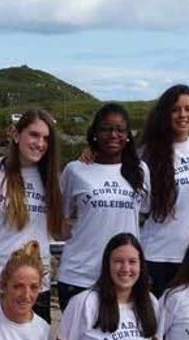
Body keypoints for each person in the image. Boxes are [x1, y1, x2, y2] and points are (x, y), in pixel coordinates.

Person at [0, 109, 63, 321]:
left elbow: (62, 227)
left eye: (46, 138)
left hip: (35, 286)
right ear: (16, 134)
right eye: (34, 135)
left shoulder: (53, 180)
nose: (40, 143)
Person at [57, 103, 151, 309]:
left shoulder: (140, 170)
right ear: (95, 133)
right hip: (80, 275)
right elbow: (60, 217)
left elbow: (144, 211)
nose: (113, 135)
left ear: (128, 135)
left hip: (124, 276)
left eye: (120, 129)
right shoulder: (75, 170)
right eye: (106, 129)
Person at [138, 85, 189, 297]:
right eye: (175, 110)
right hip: (159, 257)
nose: (183, 115)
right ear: (165, 114)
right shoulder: (147, 153)